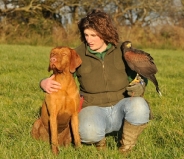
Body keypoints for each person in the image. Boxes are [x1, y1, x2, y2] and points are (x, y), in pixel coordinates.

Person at [40, 9, 150, 153]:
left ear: (105, 33)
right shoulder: (78, 53)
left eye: (94, 35)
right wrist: (43, 83)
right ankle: (100, 142)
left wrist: (141, 85)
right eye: (86, 35)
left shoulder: (121, 50)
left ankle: (126, 146)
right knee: (87, 132)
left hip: (120, 106)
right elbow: (62, 77)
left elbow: (140, 75)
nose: (89, 40)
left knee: (140, 106)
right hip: (93, 108)